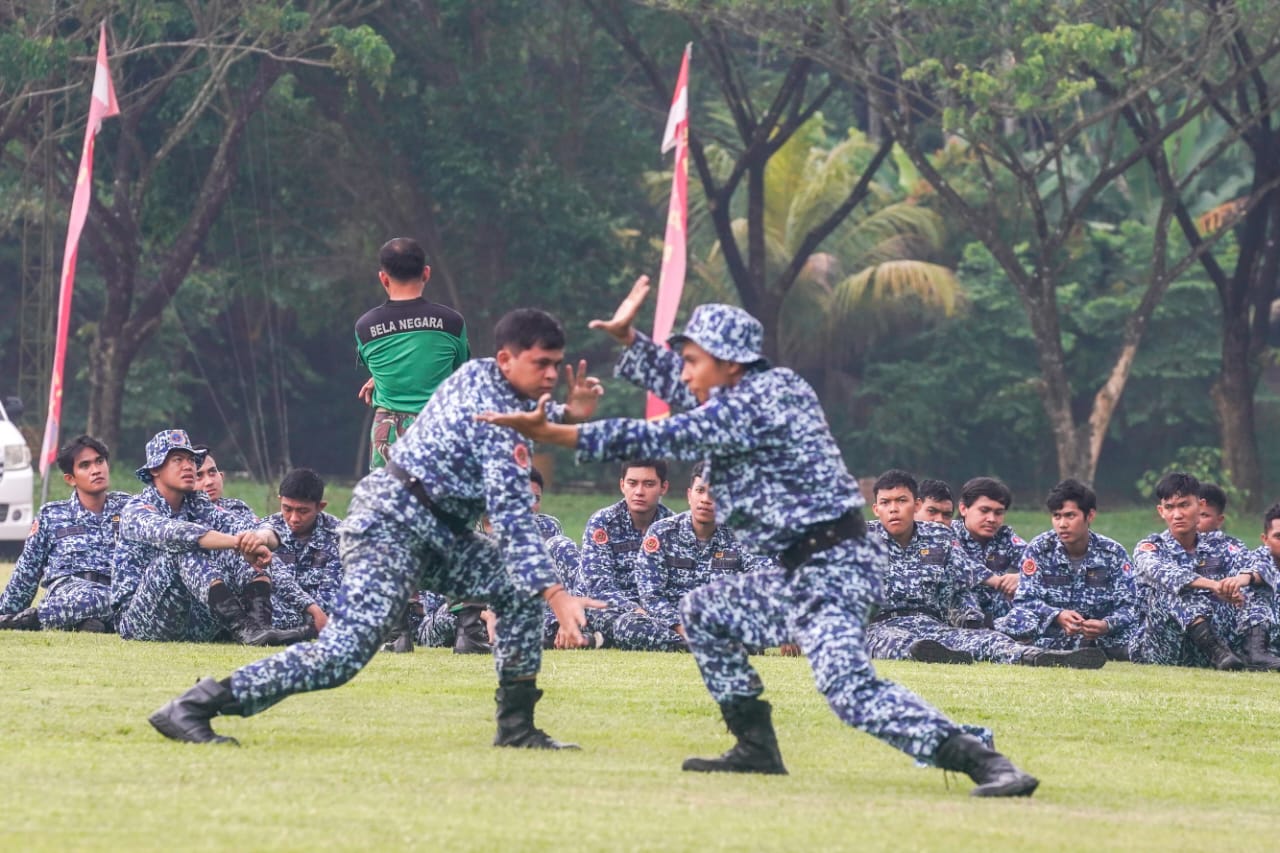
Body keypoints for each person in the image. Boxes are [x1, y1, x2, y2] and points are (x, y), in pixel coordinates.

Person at [476, 277, 1039, 797]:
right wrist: (631, 340)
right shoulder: (748, 391)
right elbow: (684, 387)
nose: (685, 370)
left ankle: (987, 764)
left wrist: (555, 432)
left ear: (728, 362)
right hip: (807, 565)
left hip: (834, 565)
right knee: (705, 611)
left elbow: (666, 427)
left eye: (692, 359)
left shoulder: (758, 402)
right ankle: (755, 746)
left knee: (849, 691)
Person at [148, 309, 607, 750]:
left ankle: (516, 726)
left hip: (435, 530)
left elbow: (530, 423)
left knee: (515, 589)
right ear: (507, 359)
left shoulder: (484, 377)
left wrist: (569, 414)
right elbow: (512, 518)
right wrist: (556, 594)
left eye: (556, 364)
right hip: (387, 528)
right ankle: (195, 706)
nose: (550, 374)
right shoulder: (492, 415)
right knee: (340, 658)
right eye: (541, 364)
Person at [866, 469, 1104, 669]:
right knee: (896, 642)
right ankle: (931, 654)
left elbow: (960, 582)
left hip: (930, 624)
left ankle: (1037, 656)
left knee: (987, 640)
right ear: (876, 509)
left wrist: (971, 620)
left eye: (901, 501)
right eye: (886, 503)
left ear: (915, 504)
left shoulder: (938, 537)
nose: (894, 509)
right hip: (880, 625)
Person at [110, 430, 309, 646]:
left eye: (190, 460)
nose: (188, 466)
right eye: (177, 460)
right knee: (184, 550)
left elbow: (248, 527)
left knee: (244, 549)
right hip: (142, 621)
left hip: (193, 619)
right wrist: (237, 543)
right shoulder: (136, 509)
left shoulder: (198, 503)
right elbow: (177, 533)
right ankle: (244, 629)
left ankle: (260, 628)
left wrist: (257, 539)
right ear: (156, 469)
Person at [1131, 472, 1280, 671]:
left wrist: (1238, 581)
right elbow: (1164, 573)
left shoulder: (1221, 544)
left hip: (1224, 643)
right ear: (1161, 511)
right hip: (1167, 647)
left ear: (1200, 505)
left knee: (1257, 584)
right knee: (1175, 589)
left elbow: (1261, 562)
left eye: (1184, 505)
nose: (1177, 514)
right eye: (1170, 507)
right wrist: (1215, 586)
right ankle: (1217, 652)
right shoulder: (1150, 547)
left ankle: (1256, 653)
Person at [355, 237, 469, 471]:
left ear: (383, 278)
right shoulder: (451, 322)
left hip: (386, 432)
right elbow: (459, 369)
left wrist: (378, 378)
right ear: (426, 273)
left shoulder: (365, 327)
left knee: (389, 504)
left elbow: (384, 367)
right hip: (436, 427)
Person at [994, 479, 1138, 660]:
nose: (1062, 524)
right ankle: (1055, 651)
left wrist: (1106, 624)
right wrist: (1057, 615)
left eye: (1070, 516)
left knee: (1136, 630)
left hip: (1099, 635)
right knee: (1017, 619)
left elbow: (1129, 606)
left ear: (1090, 515)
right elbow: (1025, 600)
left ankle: (1078, 650)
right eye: (1057, 516)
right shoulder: (1039, 549)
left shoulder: (1113, 553)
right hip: (1052, 630)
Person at [634, 461, 774, 645]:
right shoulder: (662, 533)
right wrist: (680, 627)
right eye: (700, 491)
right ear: (689, 495)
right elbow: (651, 595)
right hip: (673, 623)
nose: (706, 499)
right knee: (630, 625)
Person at [0, 436, 130, 632]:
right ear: (70, 478)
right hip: (68, 592)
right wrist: (5, 613)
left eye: (100, 461)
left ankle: (78, 623)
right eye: (85, 465)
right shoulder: (51, 515)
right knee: (94, 599)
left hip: (117, 592)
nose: (96, 470)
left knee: (131, 604)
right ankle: (44, 619)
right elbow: (27, 572)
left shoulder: (129, 509)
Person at [577, 459, 684, 651]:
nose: (639, 492)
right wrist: (635, 610)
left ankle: (603, 640)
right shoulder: (603, 523)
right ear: (622, 485)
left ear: (664, 487)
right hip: (613, 610)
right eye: (632, 483)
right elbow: (599, 586)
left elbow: (677, 586)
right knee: (620, 623)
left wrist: (659, 614)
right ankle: (685, 644)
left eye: (649, 484)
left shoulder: (673, 528)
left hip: (658, 611)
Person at [259, 468, 343, 632]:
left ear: (320, 507)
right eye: (287, 509)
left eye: (303, 511)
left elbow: (329, 600)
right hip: (275, 613)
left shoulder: (339, 537)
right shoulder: (267, 528)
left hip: (318, 618)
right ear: (280, 501)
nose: (294, 518)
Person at [952, 477, 1025, 625]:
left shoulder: (1005, 537)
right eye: (984, 511)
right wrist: (997, 581)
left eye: (998, 513)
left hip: (998, 617)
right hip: (958, 616)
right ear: (963, 508)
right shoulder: (947, 534)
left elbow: (1041, 562)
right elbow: (959, 565)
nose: (991, 519)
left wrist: (1021, 577)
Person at [194, 449, 256, 525]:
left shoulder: (237, 507)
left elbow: (257, 530)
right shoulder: (184, 516)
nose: (209, 482)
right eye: (198, 476)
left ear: (221, 476)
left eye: (212, 472)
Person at [1198, 483, 1247, 549]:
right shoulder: (1180, 546)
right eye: (1193, 513)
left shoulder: (1234, 549)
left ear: (1219, 520)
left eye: (1204, 515)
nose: (1196, 520)